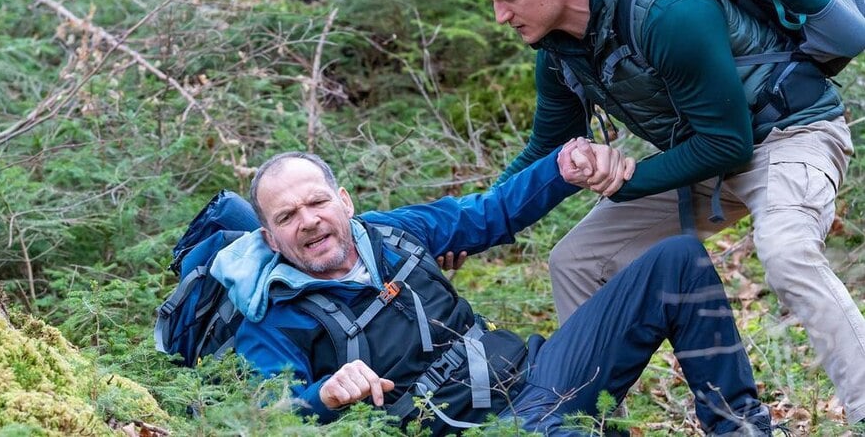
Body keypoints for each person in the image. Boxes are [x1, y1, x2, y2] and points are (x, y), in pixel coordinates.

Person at [459, 0, 862, 424]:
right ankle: (591, 423)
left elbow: (730, 146)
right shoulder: (560, 51)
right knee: (577, 260)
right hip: (706, 155)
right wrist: (471, 228)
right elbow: (546, 148)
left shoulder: (668, 11)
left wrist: (627, 181)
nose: (501, 16)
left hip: (789, 135)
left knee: (786, 249)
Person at [210, 145, 772, 436]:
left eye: (316, 202)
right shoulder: (270, 314)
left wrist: (560, 168)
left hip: (541, 373)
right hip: (471, 429)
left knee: (675, 258)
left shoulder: (393, 233)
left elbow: (491, 214)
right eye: (287, 216)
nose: (307, 221)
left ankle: (740, 429)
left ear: (345, 201)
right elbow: (271, 417)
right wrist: (325, 396)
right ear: (270, 236)